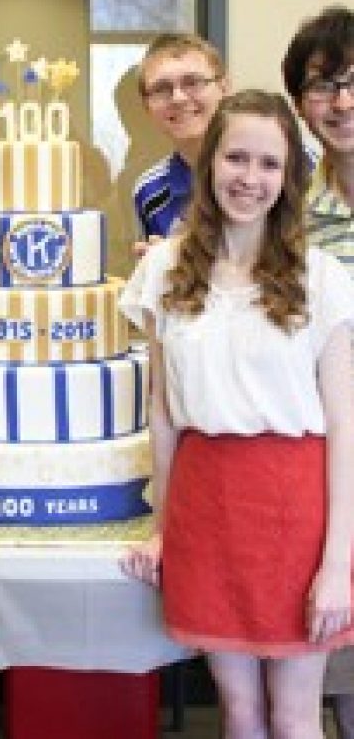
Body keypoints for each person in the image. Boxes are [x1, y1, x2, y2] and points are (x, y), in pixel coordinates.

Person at [120, 90, 354, 739]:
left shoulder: (324, 277)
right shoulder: (165, 268)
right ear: (209, 163)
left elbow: (345, 429)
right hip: (207, 507)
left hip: (296, 513)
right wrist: (163, 526)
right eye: (236, 158)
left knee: (295, 714)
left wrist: (339, 564)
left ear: (289, 179)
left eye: (269, 164)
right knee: (240, 712)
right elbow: (164, 414)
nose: (250, 179)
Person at [283, 5, 354, 739]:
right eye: (322, 86)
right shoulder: (293, 217)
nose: (342, 102)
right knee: (336, 673)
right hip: (330, 466)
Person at [133, 33, 229, 246]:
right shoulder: (149, 192)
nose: (178, 98)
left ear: (224, 88)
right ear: (146, 106)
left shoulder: (289, 164)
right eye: (161, 89)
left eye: (192, 82)